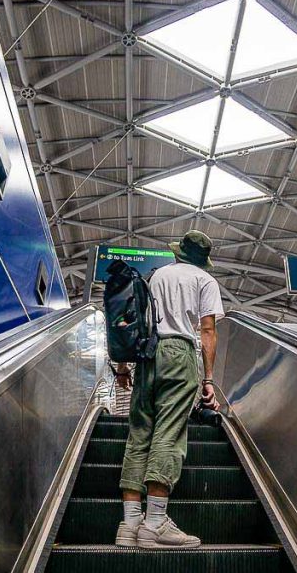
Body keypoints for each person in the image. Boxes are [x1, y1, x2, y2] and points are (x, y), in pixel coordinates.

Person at [112, 230, 224, 549]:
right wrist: (209, 380)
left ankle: (130, 525)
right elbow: (207, 331)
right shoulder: (204, 281)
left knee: (139, 434)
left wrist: (122, 367)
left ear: (178, 253)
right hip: (179, 354)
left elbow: (129, 320)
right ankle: (155, 523)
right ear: (202, 259)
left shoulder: (155, 275)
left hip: (146, 355)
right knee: (169, 433)